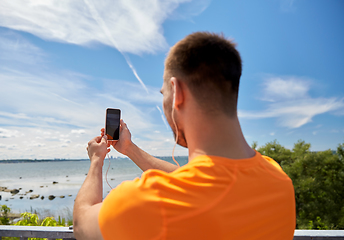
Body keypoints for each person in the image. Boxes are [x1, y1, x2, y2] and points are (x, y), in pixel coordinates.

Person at [73, 32, 296, 240]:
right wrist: (129, 149)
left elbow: (82, 224)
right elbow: (198, 179)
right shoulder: (278, 179)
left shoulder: (153, 200)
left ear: (177, 91)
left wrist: (96, 160)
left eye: (164, 94)